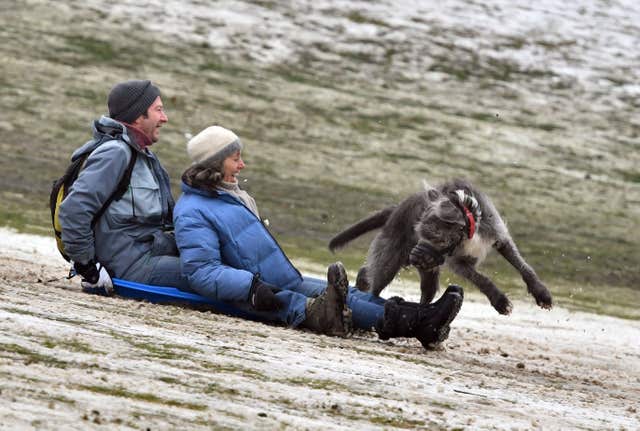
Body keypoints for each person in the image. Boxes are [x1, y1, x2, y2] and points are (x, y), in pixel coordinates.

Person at [173, 125, 465, 348]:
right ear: (215, 163)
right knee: (337, 302)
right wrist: (251, 287)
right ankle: (419, 323)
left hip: (280, 279)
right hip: (261, 295)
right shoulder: (192, 211)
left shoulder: (233, 197)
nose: (242, 165)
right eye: (235, 159)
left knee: (350, 294)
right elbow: (201, 270)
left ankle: (422, 317)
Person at [58, 80, 189, 295]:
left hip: (153, 251)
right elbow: (74, 209)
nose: (165, 118)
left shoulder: (144, 156)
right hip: (132, 266)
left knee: (214, 265)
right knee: (206, 274)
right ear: (138, 116)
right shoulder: (116, 153)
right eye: (158, 110)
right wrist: (89, 268)